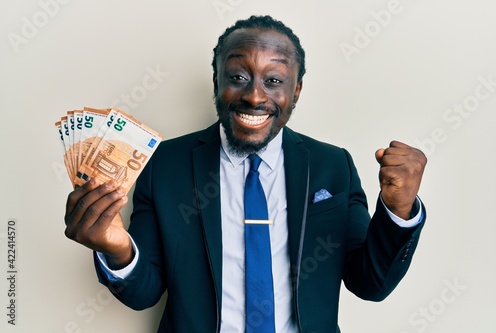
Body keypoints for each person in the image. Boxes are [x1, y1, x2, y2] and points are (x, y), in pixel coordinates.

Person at [64, 15, 427, 333]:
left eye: (273, 81)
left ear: (295, 91)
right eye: (238, 76)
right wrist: (117, 247)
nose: (255, 96)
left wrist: (399, 212)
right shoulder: (165, 164)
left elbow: (370, 284)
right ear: (216, 80)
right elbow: (145, 293)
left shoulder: (332, 166)